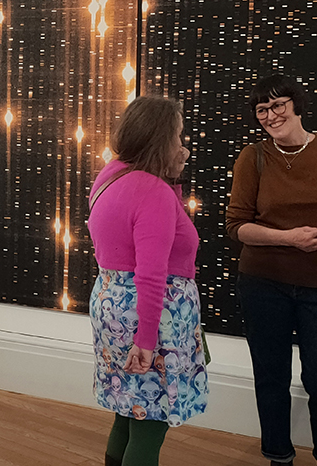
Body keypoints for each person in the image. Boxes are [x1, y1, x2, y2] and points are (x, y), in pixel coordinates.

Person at [226, 74, 317, 466]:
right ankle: (279, 456)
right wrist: (289, 238)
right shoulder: (253, 157)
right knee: (271, 377)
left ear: (296, 104)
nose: (271, 115)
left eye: (278, 105)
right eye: (262, 110)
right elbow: (237, 226)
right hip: (263, 283)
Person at [88, 95, 208, 466]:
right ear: (161, 139)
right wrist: (146, 339)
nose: (182, 145)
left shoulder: (111, 174)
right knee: (151, 420)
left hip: (111, 304)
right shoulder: (153, 192)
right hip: (152, 317)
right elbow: (152, 273)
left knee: (128, 409)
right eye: (178, 136)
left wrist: (171, 176)